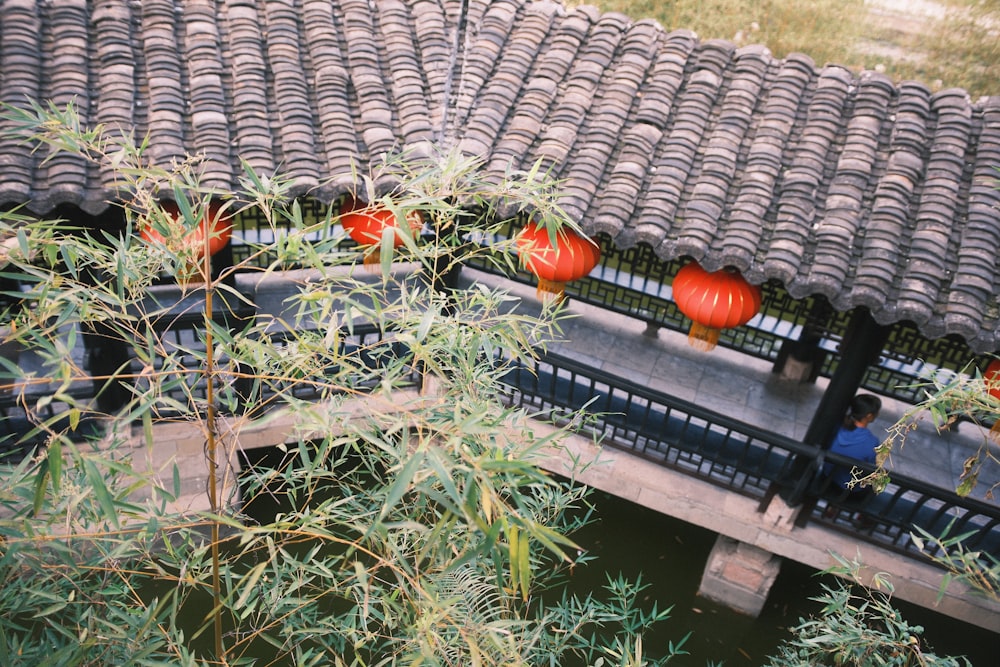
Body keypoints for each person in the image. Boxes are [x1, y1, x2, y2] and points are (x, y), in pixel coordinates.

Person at [825, 394, 882, 495]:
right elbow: (871, 470)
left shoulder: (836, 427)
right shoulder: (871, 442)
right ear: (869, 416)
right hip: (848, 491)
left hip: (825, 479)